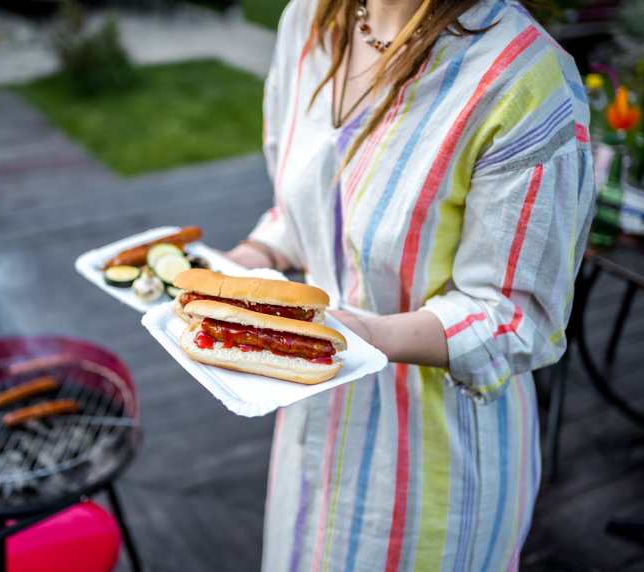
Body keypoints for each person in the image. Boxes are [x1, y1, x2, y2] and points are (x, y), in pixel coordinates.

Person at [225, 0, 594, 570]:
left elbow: (516, 316)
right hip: (310, 429)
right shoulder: (309, 21)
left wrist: (368, 334)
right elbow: (310, 209)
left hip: (431, 468)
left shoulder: (525, 79)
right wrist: (249, 259)